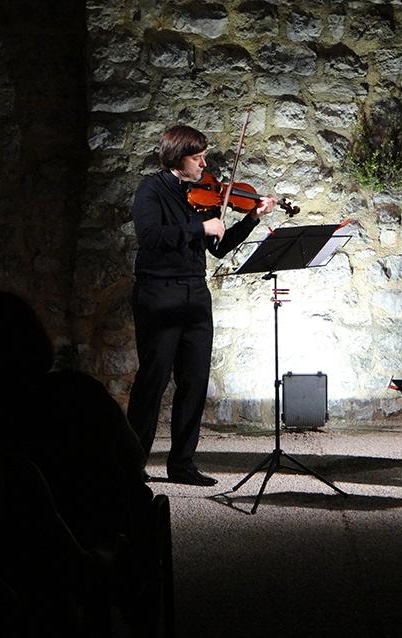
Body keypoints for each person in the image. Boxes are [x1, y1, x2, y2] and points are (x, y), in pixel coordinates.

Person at [127, 124, 277, 486]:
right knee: (154, 380)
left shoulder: (200, 195)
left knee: (194, 381)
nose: (204, 164)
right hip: (159, 294)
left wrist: (251, 219)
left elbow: (219, 246)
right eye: (198, 158)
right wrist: (200, 229)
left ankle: (182, 464)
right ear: (178, 158)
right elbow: (149, 237)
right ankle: (131, 464)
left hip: (195, 295)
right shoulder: (151, 190)